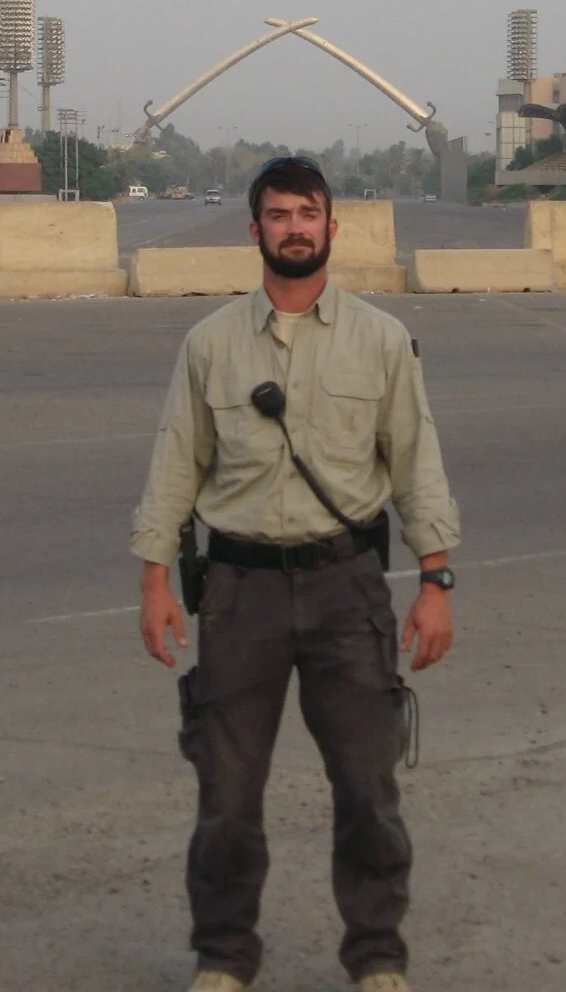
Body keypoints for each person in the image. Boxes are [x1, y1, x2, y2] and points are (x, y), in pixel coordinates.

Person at [133, 155, 460, 992]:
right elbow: (177, 464)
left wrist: (435, 582)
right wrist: (156, 581)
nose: (294, 227)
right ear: (255, 230)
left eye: (307, 213)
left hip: (346, 589)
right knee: (228, 794)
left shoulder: (381, 340)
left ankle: (378, 957)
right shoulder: (209, 344)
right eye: (278, 214)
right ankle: (225, 956)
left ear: (330, 227)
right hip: (239, 596)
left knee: (367, 787)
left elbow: (416, 463)